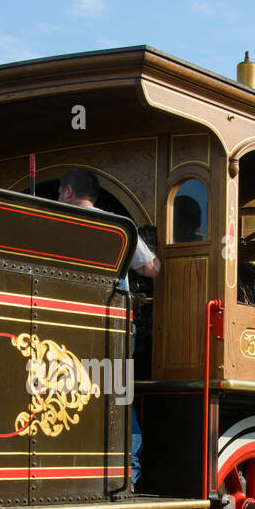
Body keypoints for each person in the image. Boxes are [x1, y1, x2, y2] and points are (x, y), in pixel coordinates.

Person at [56, 167, 155, 488]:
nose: (58, 198)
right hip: (112, 326)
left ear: (69, 192)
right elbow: (152, 268)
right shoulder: (118, 227)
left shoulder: (57, 224)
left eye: (59, 192)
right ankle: (129, 472)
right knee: (118, 397)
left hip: (69, 325)